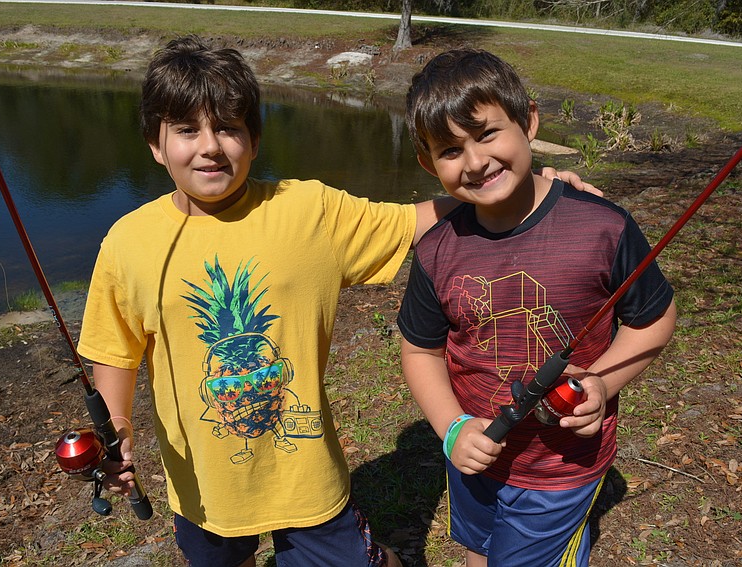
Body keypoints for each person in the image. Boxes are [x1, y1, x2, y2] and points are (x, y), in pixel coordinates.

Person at [77, 36, 594, 567]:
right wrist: (116, 426)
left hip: (306, 478)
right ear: (156, 145)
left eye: (228, 128)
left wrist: (531, 191)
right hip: (202, 487)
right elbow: (116, 348)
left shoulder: (308, 211)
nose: (210, 146)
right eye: (186, 131)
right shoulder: (127, 241)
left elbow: (417, 220)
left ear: (254, 140)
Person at [398, 48, 677, 567]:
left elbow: (654, 320)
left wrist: (601, 383)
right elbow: (420, 350)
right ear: (427, 162)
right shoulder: (436, 248)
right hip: (476, 461)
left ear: (528, 120)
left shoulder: (603, 227)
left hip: (561, 470)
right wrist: (452, 428)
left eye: (486, 134)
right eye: (450, 151)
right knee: (479, 551)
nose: (476, 162)